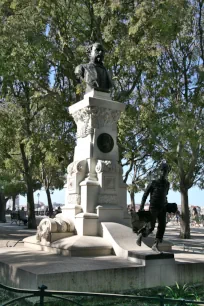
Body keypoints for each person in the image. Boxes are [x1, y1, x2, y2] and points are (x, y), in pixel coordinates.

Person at [136, 163, 170, 253]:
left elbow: (165, 195)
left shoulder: (167, 184)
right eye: (163, 171)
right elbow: (145, 194)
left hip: (162, 208)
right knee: (151, 227)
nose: (164, 173)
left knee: (162, 226)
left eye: (166, 171)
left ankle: (155, 245)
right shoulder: (153, 183)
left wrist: (166, 205)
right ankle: (141, 234)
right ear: (160, 171)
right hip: (154, 207)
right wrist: (142, 206)